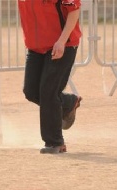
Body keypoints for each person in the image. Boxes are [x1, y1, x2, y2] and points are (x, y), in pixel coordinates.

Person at [18, 0, 83, 154]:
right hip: (36, 47)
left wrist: (61, 41)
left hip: (62, 45)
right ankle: (68, 102)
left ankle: (55, 143)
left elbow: (74, 10)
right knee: (31, 91)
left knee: (48, 92)